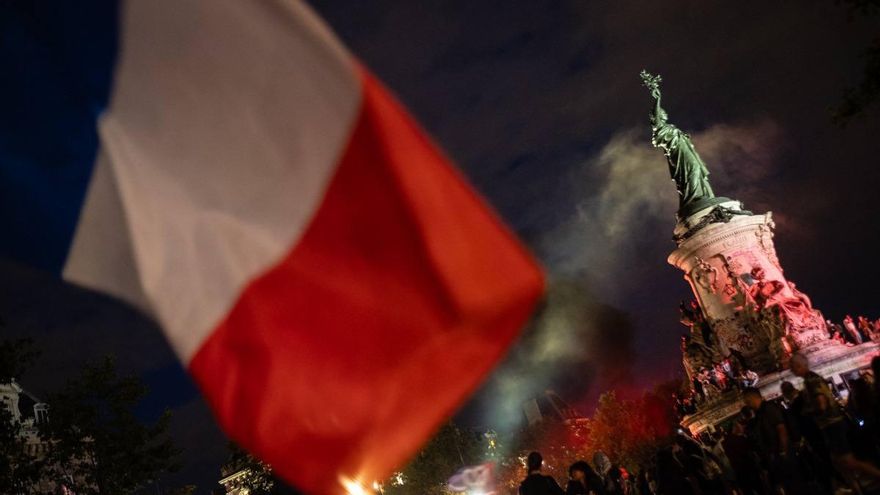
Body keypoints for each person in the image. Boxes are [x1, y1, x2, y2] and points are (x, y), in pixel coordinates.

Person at [790, 353, 880, 488]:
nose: (791, 370)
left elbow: (822, 404)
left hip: (832, 424)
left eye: (792, 367)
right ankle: (856, 488)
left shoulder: (811, 381)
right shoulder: (810, 379)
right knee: (838, 461)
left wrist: (807, 412)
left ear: (799, 366)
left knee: (847, 461)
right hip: (830, 424)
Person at [742, 386, 810, 494]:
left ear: (752, 397)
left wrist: (782, 451)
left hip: (783, 454)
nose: (746, 403)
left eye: (746, 399)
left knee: (795, 484)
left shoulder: (768, 408)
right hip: (777, 456)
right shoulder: (760, 414)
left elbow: (781, 429)